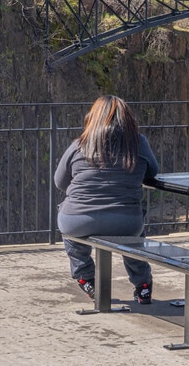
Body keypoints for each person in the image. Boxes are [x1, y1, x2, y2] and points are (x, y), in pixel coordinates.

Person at [55, 95, 159, 304]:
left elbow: (60, 182)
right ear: (128, 119)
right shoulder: (138, 143)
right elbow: (152, 172)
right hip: (126, 222)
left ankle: (85, 276)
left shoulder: (80, 144)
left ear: (92, 117)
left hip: (78, 220)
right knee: (135, 234)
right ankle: (143, 284)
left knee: (67, 220)